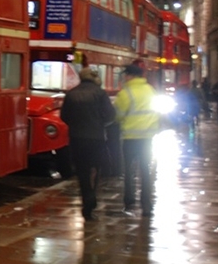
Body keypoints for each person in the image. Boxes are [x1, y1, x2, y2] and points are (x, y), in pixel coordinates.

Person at [60, 67, 116, 222]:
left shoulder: (71, 94)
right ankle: (92, 196)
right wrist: (101, 125)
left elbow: (64, 116)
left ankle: (87, 198)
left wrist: (75, 125)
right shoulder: (100, 93)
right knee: (96, 168)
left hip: (77, 138)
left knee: (82, 171)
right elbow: (110, 115)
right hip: (96, 138)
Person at [114, 64, 160, 217]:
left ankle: (129, 201)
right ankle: (146, 204)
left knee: (128, 170)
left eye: (126, 75)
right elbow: (157, 112)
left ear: (130, 76)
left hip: (130, 138)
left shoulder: (125, 93)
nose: (125, 78)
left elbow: (118, 115)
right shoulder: (151, 90)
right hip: (147, 137)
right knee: (145, 170)